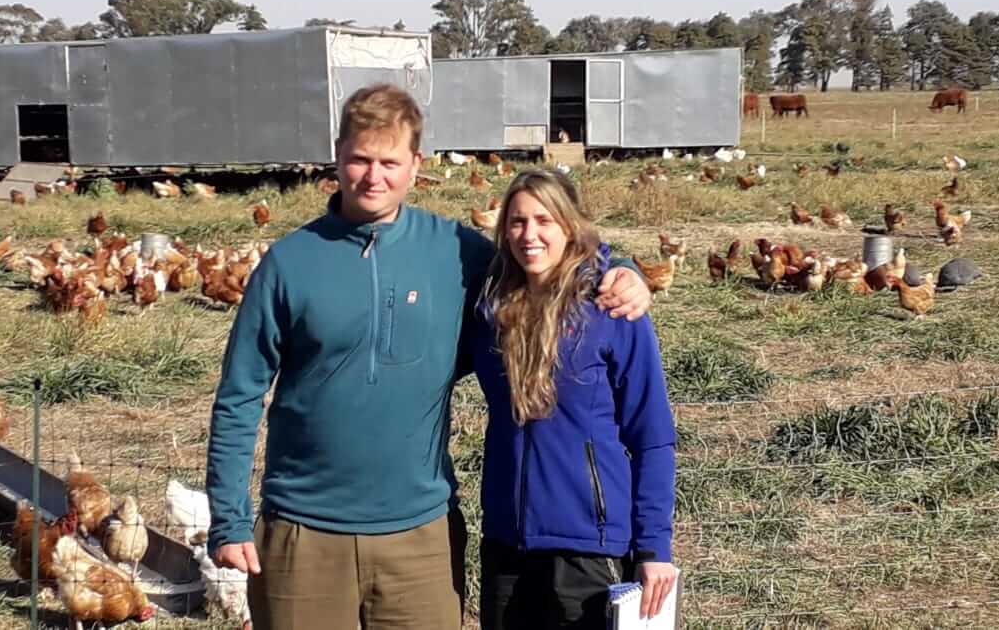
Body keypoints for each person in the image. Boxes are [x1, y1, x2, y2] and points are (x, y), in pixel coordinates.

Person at [206, 84, 653, 630]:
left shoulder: (454, 251)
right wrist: (229, 520)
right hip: (303, 532)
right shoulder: (290, 263)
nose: (374, 177)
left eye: (389, 162)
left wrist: (619, 265)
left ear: (416, 164)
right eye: (359, 160)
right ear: (337, 156)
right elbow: (238, 397)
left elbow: (544, 250)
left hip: (420, 538)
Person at [473, 169, 678, 628]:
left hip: (588, 548)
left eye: (544, 220)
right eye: (517, 222)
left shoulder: (611, 308)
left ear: (570, 226)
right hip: (507, 544)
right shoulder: (491, 308)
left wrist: (653, 548)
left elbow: (653, 436)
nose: (530, 235)